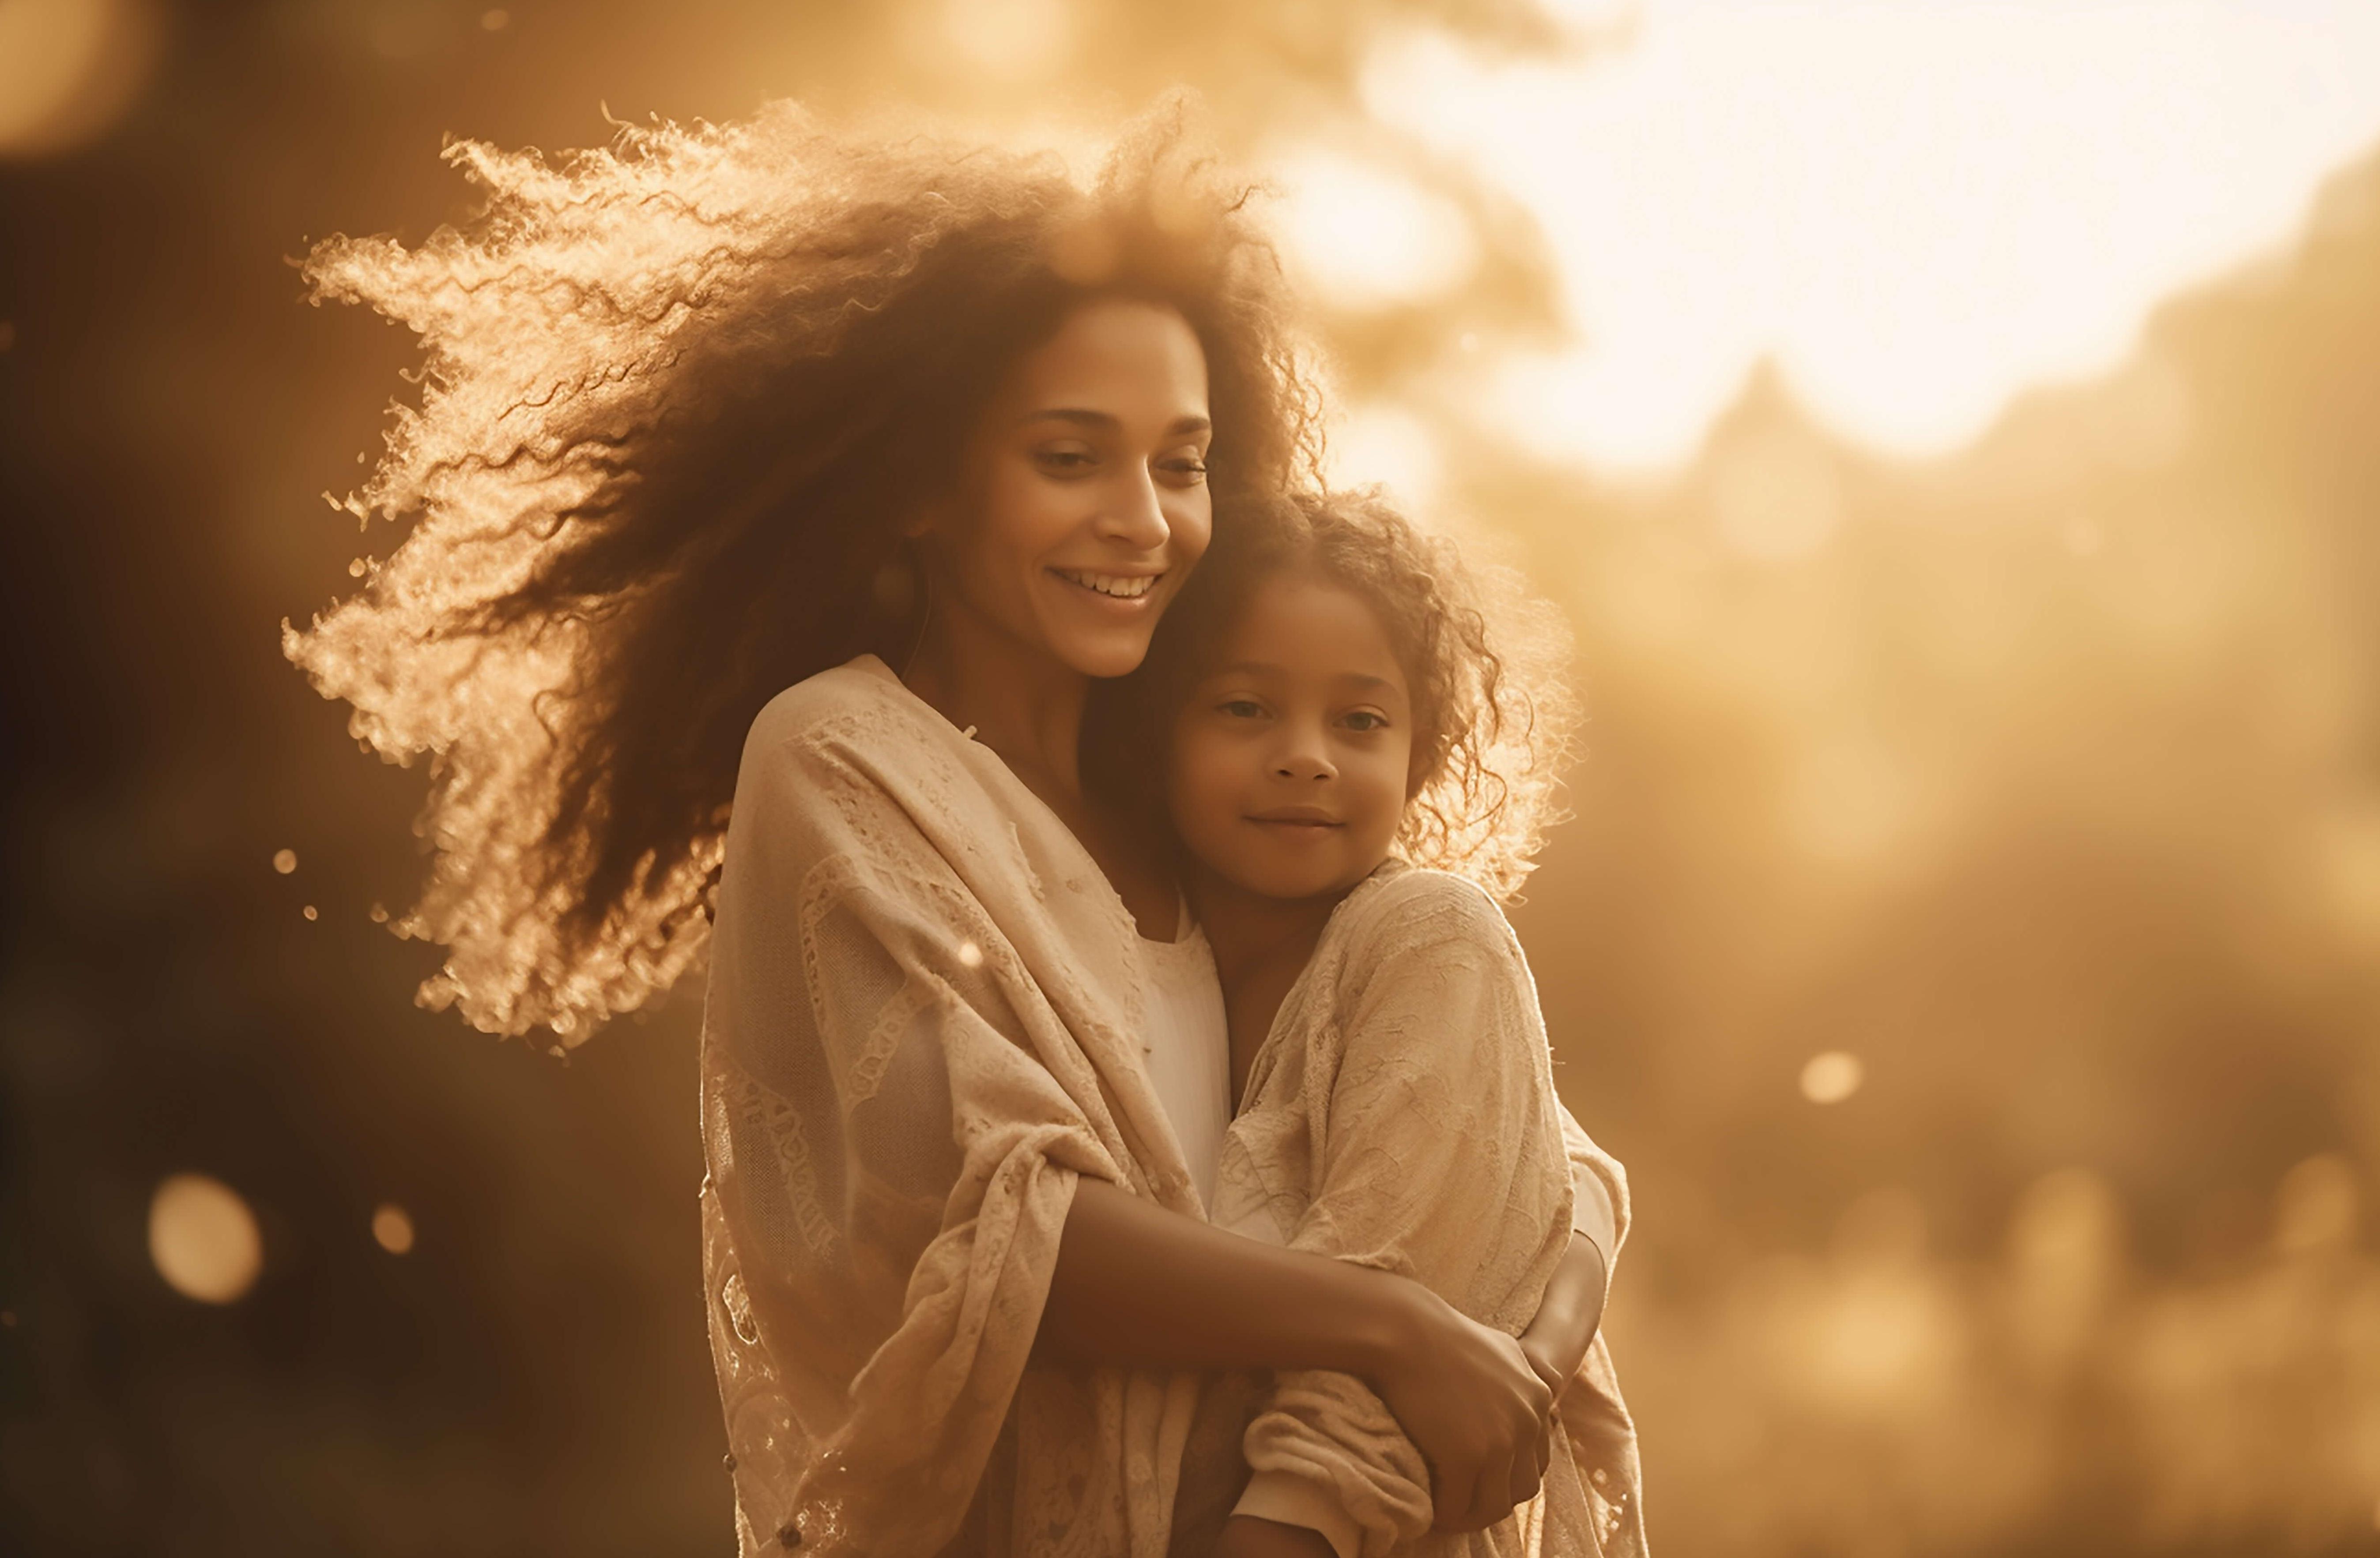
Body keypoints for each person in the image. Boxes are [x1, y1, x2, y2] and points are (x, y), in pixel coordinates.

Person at [286, 105, 1621, 1555]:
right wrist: (1392, 1328)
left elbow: (1515, 1166)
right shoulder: (844, 761)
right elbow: (1000, 1246)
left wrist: (1513, 1351)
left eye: (1179, 463)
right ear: (925, 484)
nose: (1143, 518)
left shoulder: (1193, 802)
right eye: (1071, 458)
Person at [1096, 489, 1641, 1557]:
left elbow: (1372, 1367)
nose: (1308, 756)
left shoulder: (1430, 938)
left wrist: (1538, 1358)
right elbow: (1582, 1172)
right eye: (1246, 708)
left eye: (1359, 720)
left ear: (1420, 754)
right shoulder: (1138, 959)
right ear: (1158, 732)